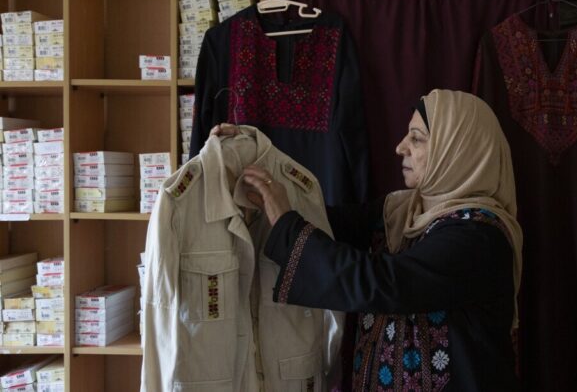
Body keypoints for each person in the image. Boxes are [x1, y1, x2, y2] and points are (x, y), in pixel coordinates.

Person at [212, 89, 523, 391]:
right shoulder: (400, 213)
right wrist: (253, 156)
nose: (401, 147)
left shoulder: (479, 235)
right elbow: (326, 222)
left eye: (416, 138)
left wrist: (286, 223)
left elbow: (384, 283)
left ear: (456, 150)